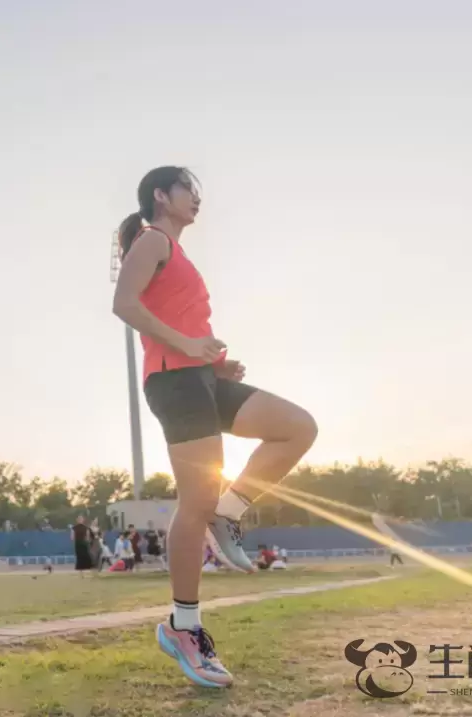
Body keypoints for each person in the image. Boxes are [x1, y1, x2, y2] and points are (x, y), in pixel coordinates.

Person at [111, 166, 318, 688]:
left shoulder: (177, 252)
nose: (197, 200)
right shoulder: (151, 238)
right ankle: (184, 628)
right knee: (193, 502)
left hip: (200, 378)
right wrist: (184, 348)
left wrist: (212, 364)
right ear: (161, 196)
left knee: (297, 427)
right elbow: (123, 304)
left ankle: (230, 511)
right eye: (189, 190)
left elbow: (175, 319)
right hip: (172, 383)